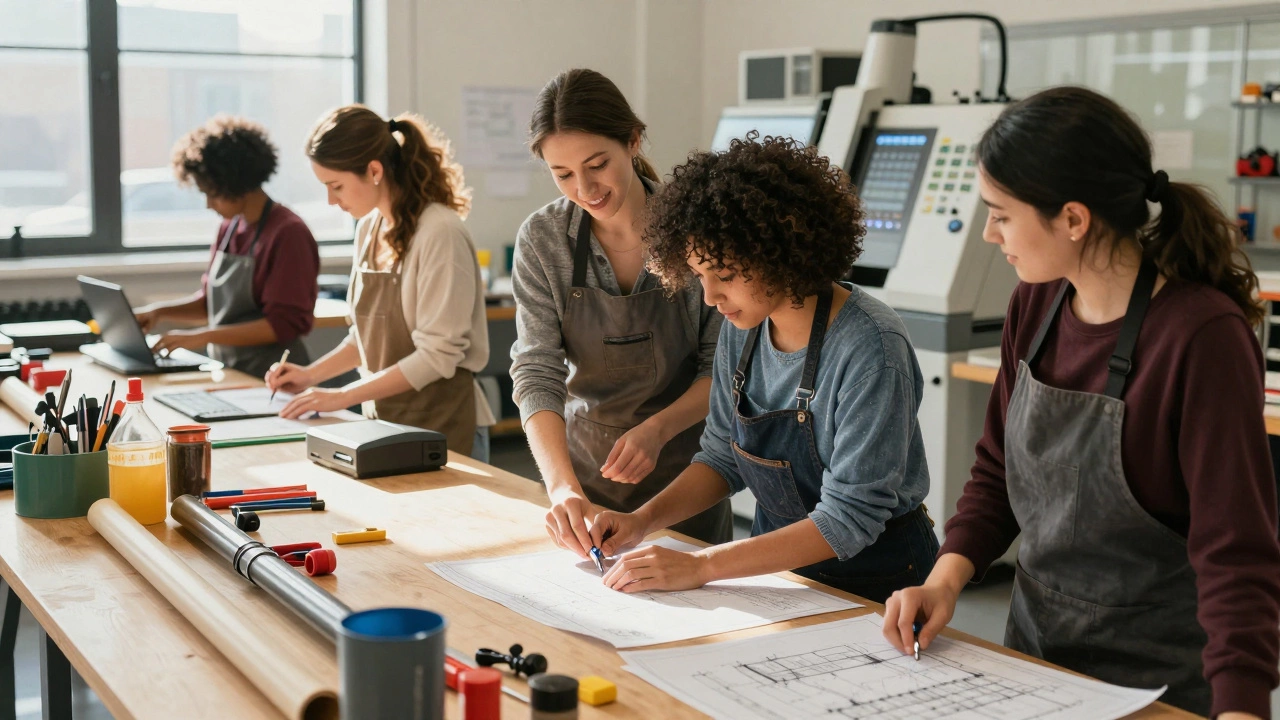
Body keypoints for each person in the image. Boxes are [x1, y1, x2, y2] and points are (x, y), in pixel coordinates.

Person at [882, 87, 1280, 720]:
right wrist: (943, 580)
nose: (989, 234)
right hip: (1035, 660)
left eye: (1002, 214)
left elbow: (1235, 550)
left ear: (1072, 218)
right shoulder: (1034, 306)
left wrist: (1242, 707)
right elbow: (996, 474)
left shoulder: (1201, 336)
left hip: (1159, 684)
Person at [586, 134, 939, 603]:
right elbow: (722, 457)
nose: (710, 297)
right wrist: (642, 521)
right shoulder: (744, 325)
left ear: (782, 252)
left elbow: (849, 517)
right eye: (699, 275)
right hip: (777, 564)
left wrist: (704, 565)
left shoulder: (871, 348)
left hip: (877, 576)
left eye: (726, 276)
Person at [511, 68, 732, 555]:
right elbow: (536, 370)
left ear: (632, 141)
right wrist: (562, 488)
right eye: (562, 174)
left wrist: (657, 429)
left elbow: (724, 366)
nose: (585, 187)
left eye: (597, 164)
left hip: (686, 484)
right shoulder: (544, 239)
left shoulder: (697, 228)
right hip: (585, 483)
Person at [265, 105, 494, 458]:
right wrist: (310, 376)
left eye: (336, 186)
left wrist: (341, 396)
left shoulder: (439, 233)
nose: (331, 200)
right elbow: (366, 340)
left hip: (443, 430)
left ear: (374, 170)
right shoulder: (370, 229)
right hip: (384, 426)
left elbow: (437, 356)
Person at [136, 115, 319, 378]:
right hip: (231, 371)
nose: (208, 205)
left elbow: (283, 326)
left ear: (236, 184)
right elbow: (211, 305)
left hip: (273, 376)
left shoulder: (288, 233)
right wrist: (159, 313)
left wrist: (201, 336)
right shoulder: (230, 226)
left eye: (212, 194)